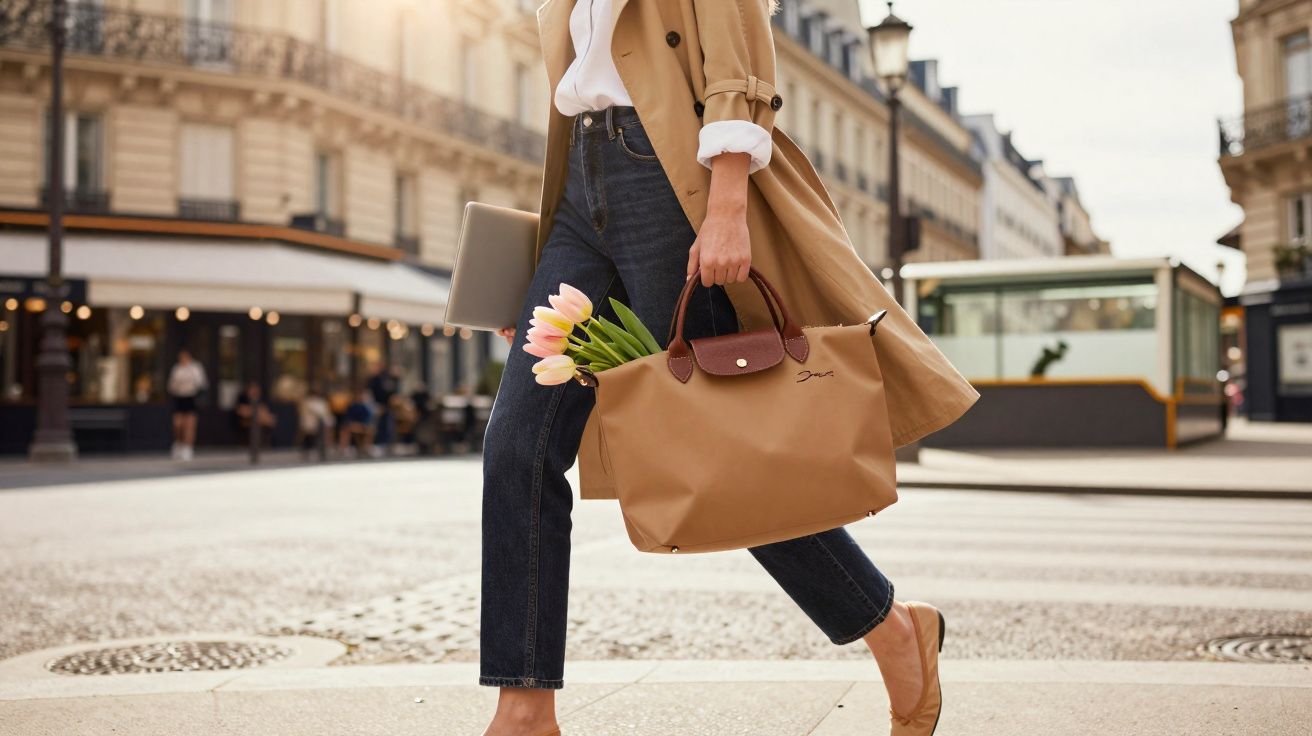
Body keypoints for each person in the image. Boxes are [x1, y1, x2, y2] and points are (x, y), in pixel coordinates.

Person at [479, 3, 978, 735]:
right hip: (581, 187)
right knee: (517, 447)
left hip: (667, 172)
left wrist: (728, 206)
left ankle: (893, 629)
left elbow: (737, 59)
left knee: (722, 449)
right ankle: (525, 710)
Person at [166, 349, 206, 461]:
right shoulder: (177, 368)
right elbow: (171, 385)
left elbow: (201, 383)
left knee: (189, 424)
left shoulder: (195, 368)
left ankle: (188, 448)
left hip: (191, 398)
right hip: (179, 398)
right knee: (178, 424)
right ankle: (178, 444)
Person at [367, 362, 400, 457]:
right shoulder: (373, 380)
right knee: (377, 425)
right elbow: (370, 394)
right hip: (376, 406)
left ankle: (387, 444)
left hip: (386, 406)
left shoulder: (385, 378)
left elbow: (390, 392)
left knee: (387, 425)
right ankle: (377, 444)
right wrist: (375, 405)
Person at [296, 382, 335, 459]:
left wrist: (328, 421)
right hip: (311, 422)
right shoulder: (307, 402)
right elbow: (304, 413)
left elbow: (326, 413)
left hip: (321, 422)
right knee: (318, 429)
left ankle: (323, 449)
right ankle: (312, 449)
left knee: (324, 427)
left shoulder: (321, 402)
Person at [338, 384, 375, 457]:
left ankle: (366, 447)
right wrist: (352, 424)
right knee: (345, 429)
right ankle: (344, 448)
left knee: (370, 429)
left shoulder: (366, 407)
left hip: (363, 425)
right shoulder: (352, 406)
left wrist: (361, 424)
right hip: (352, 425)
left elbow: (368, 418)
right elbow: (348, 417)